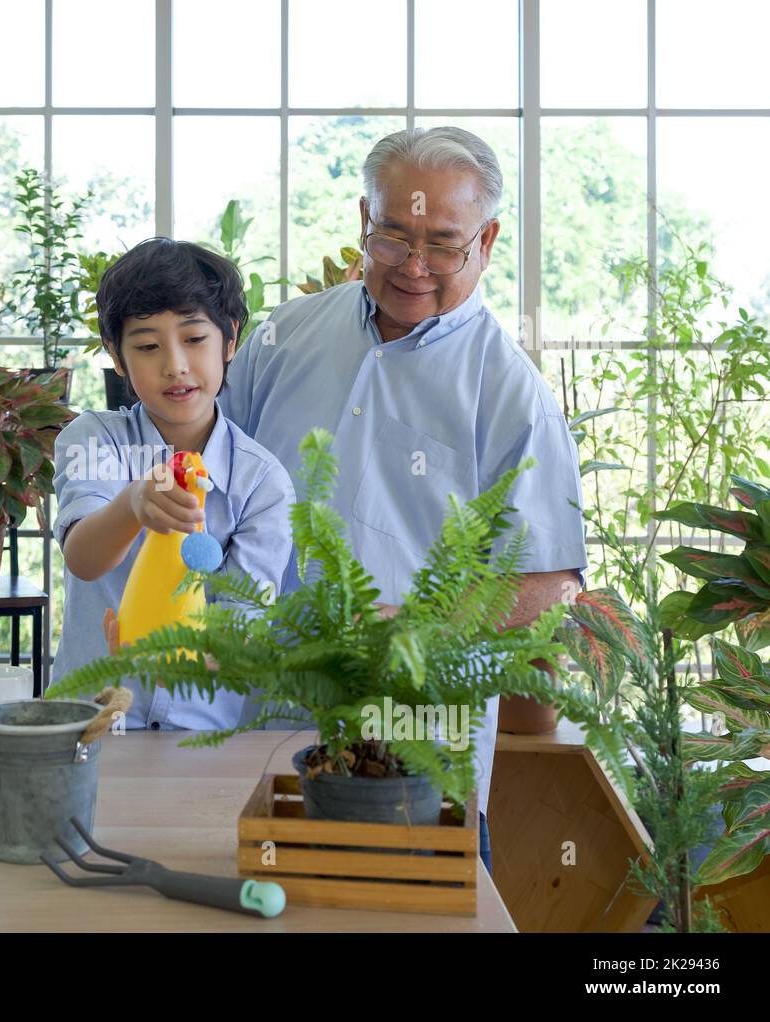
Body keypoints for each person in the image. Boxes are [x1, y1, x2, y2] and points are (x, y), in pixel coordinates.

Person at [221, 126, 589, 874]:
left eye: (444, 245)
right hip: (253, 730)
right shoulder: (284, 339)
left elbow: (552, 582)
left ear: (486, 241)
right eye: (393, 236)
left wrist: (416, 622)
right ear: (364, 219)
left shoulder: (509, 393)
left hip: (415, 755)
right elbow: (213, 487)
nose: (414, 266)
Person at [51, 238, 295, 731]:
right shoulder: (94, 440)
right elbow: (83, 558)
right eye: (147, 346)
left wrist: (192, 651)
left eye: (195, 339)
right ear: (117, 359)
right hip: (89, 726)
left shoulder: (263, 482)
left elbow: (243, 623)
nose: (175, 365)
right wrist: (133, 504)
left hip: (204, 739)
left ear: (230, 341)